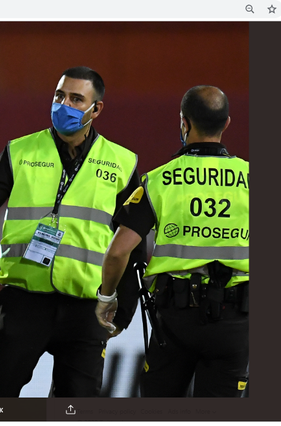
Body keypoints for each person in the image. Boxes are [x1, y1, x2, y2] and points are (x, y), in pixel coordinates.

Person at [0, 66, 145, 397]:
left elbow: (131, 241)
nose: (64, 105)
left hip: (86, 307)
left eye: (77, 99)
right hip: (25, 302)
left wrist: (126, 308)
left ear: (96, 109)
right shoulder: (20, 152)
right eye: (59, 96)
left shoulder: (122, 163)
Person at [95, 85, 249, 397]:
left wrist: (107, 297)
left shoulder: (159, 180)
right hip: (236, 322)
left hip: (176, 322)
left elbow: (117, 252)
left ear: (184, 122)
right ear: (227, 123)